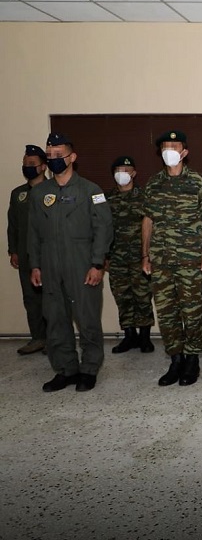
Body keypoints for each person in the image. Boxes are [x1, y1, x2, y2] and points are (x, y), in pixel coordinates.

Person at [28, 133, 114, 392]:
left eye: (59, 155)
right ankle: (66, 369)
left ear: (72, 157)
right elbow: (33, 232)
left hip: (82, 265)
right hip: (50, 266)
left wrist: (97, 264)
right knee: (55, 320)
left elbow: (103, 229)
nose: (53, 159)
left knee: (87, 319)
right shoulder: (39, 193)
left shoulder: (91, 191)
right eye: (49, 155)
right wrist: (35, 265)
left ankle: (89, 369)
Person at [142, 130, 202, 387]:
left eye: (174, 147)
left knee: (192, 310)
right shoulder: (154, 183)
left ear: (184, 152)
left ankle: (192, 359)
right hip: (161, 260)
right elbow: (148, 220)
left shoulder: (197, 182)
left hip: (190, 259)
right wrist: (145, 255)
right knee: (166, 312)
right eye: (165, 147)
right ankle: (175, 359)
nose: (169, 152)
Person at [106, 156, 155, 354]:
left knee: (143, 296)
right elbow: (100, 228)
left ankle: (145, 337)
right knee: (122, 297)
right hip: (116, 258)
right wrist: (104, 256)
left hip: (139, 257)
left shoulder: (144, 197)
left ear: (134, 173)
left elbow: (152, 227)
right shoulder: (106, 198)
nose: (122, 174)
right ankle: (129, 336)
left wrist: (148, 255)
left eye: (126, 170)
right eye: (118, 170)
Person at [8, 144, 48, 356]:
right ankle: (38, 338)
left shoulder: (53, 191)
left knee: (51, 298)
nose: (27, 167)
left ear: (43, 167)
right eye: (25, 163)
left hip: (48, 254)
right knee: (31, 299)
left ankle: (54, 339)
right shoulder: (18, 194)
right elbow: (13, 224)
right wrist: (13, 250)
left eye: (32, 163)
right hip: (25, 254)